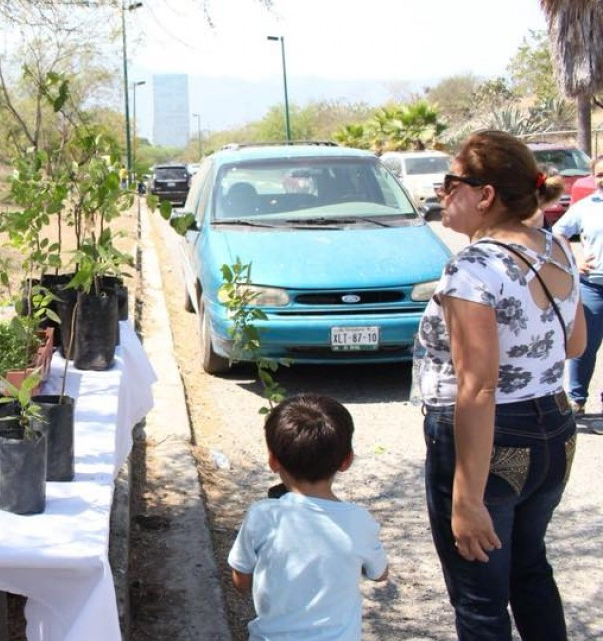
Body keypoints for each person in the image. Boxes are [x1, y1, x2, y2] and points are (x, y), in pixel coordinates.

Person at [416, 129, 585, 640]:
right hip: (554, 427)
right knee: (530, 571)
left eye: (451, 183)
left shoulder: (474, 267)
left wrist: (466, 499)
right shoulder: (556, 247)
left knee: (480, 600)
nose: (442, 194)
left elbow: (478, 388)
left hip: (491, 438)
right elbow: (574, 344)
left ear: (485, 194)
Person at [228, 394, 388, 641]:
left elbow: (241, 581)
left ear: (273, 460)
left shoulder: (263, 516)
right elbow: (380, 574)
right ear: (347, 460)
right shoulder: (359, 521)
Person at [552, 155, 603, 431]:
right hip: (593, 286)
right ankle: (576, 400)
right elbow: (558, 232)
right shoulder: (585, 207)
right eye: (599, 175)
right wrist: (574, 260)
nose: (602, 179)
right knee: (584, 347)